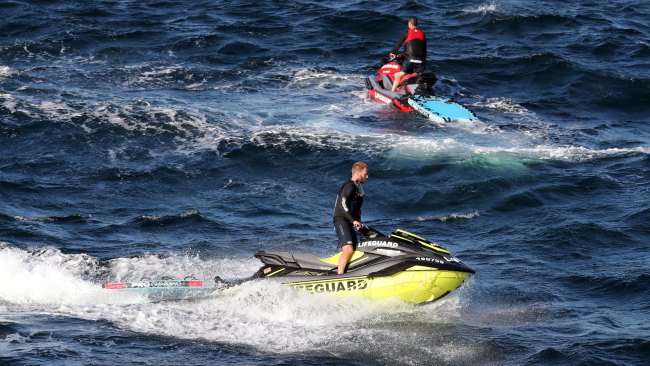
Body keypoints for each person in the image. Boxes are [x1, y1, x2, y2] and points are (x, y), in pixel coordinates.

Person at [333, 162, 369, 274]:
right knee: (348, 249)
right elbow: (343, 205)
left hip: (349, 221)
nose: (367, 176)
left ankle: (351, 271)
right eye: (365, 174)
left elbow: (357, 209)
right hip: (341, 219)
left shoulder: (358, 187)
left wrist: (359, 223)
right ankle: (339, 276)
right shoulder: (350, 185)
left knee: (355, 249)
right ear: (358, 173)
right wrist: (354, 220)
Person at [390, 17, 427, 92]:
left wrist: (393, 53)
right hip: (421, 61)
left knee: (398, 75)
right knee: (419, 76)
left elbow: (398, 44)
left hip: (410, 60)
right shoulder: (422, 33)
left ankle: (392, 92)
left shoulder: (407, 33)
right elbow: (424, 48)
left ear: (409, 24)